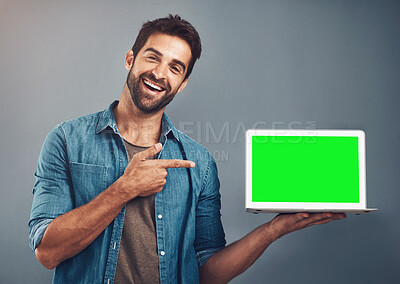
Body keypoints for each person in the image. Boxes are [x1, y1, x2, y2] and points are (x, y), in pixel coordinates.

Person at [29, 15, 345, 284]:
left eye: (175, 68)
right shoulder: (66, 140)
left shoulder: (200, 163)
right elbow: (47, 252)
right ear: (131, 59)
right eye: (152, 57)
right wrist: (124, 189)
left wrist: (275, 229)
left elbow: (207, 272)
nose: (159, 73)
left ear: (183, 83)